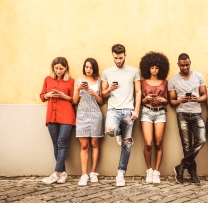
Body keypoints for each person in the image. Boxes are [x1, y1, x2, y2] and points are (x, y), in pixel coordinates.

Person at [101, 44, 141, 187]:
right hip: (113, 110)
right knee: (111, 130)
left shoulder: (134, 71)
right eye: (115, 58)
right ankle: (118, 131)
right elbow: (103, 94)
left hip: (129, 110)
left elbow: (138, 92)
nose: (118, 61)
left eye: (120, 58)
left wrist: (136, 110)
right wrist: (109, 89)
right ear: (112, 56)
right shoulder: (107, 72)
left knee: (127, 144)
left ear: (125, 55)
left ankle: (120, 174)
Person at [168, 53, 207, 185]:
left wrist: (197, 99)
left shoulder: (199, 76)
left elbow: (204, 96)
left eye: (187, 65)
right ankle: (193, 175)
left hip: (196, 113)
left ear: (190, 63)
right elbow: (171, 102)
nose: (185, 67)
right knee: (186, 145)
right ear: (178, 64)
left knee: (201, 140)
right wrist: (180, 100)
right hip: (182, 114)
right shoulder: (173, 80)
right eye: (182, 65)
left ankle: (181, 165)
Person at [40, 57, 75, 185]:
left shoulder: (71, 81)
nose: (58, 71)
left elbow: (74, 99)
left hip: (66, 116)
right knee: (56, 144)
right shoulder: (48, 79)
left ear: (66, 68)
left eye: (61, 68)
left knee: (62, 143)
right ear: (53, 68)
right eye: (56, 68)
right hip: (51, 116)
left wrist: (63, 96)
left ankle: (55, 173)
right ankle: (63, 173)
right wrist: (48, 95)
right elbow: (42, 96)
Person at [139, 51, 170, 184]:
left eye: (157, 67)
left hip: (160, 113)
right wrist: (146, 99)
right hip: (146, 112)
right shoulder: (143, 82)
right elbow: (140, 100)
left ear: (161, 68)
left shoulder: (164, 82)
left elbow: (167, 100)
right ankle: (149, 170)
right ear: (147, 68)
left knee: (158, 143)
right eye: (152, 67)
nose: (154, 70)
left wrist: (162, 99)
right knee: (148, 143)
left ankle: (156, 172)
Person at [73, 58, 103, 186]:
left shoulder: (99, 82)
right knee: (84, 145)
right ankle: (84, 174)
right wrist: (78, 89)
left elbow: (101, 102)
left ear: (94, 68)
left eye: (91, 67)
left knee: (95, 143)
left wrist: (94, 94)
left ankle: (93, 172)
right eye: (86, 67)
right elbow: (74, 101)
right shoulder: (78, 81)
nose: (88, 69)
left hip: (96, 114)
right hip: (82, 114)